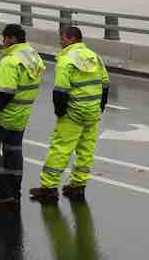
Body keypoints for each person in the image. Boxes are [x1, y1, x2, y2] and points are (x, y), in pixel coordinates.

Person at [30, 26, 110, 203]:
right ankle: (78, 185)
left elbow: (60, 90)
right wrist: (100, 107)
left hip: (73, 113)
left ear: (72, 38)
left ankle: (49, 188)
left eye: (63, 38)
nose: (60, 41)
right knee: (86, 150)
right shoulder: (95, 57)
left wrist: (60, 113)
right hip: (93, 112)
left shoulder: (66, 59)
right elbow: (105, 84)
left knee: (60, 149)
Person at [0, 24, 46, 210]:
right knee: (13, 153)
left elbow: (6, 93)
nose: (3, 41)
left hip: (3, 117)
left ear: (12, 39)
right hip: (21, 117)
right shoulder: (33, 57)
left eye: (4, 38)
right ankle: (14, 192)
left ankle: (1, 193)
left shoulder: (9, 61)